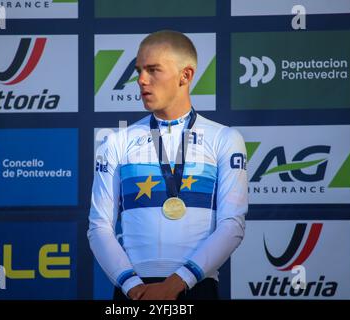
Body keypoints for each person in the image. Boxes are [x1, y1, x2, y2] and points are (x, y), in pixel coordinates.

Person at [88, 30, 248, 300]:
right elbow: (99, 227)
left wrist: (176, 283)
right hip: (133, 291)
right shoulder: (115, 141)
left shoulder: (225, 138)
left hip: (196, 286)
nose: (141, 80)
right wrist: (132, 286)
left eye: (153, 70)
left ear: (185, 76)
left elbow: (232, 224)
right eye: (139, 70)